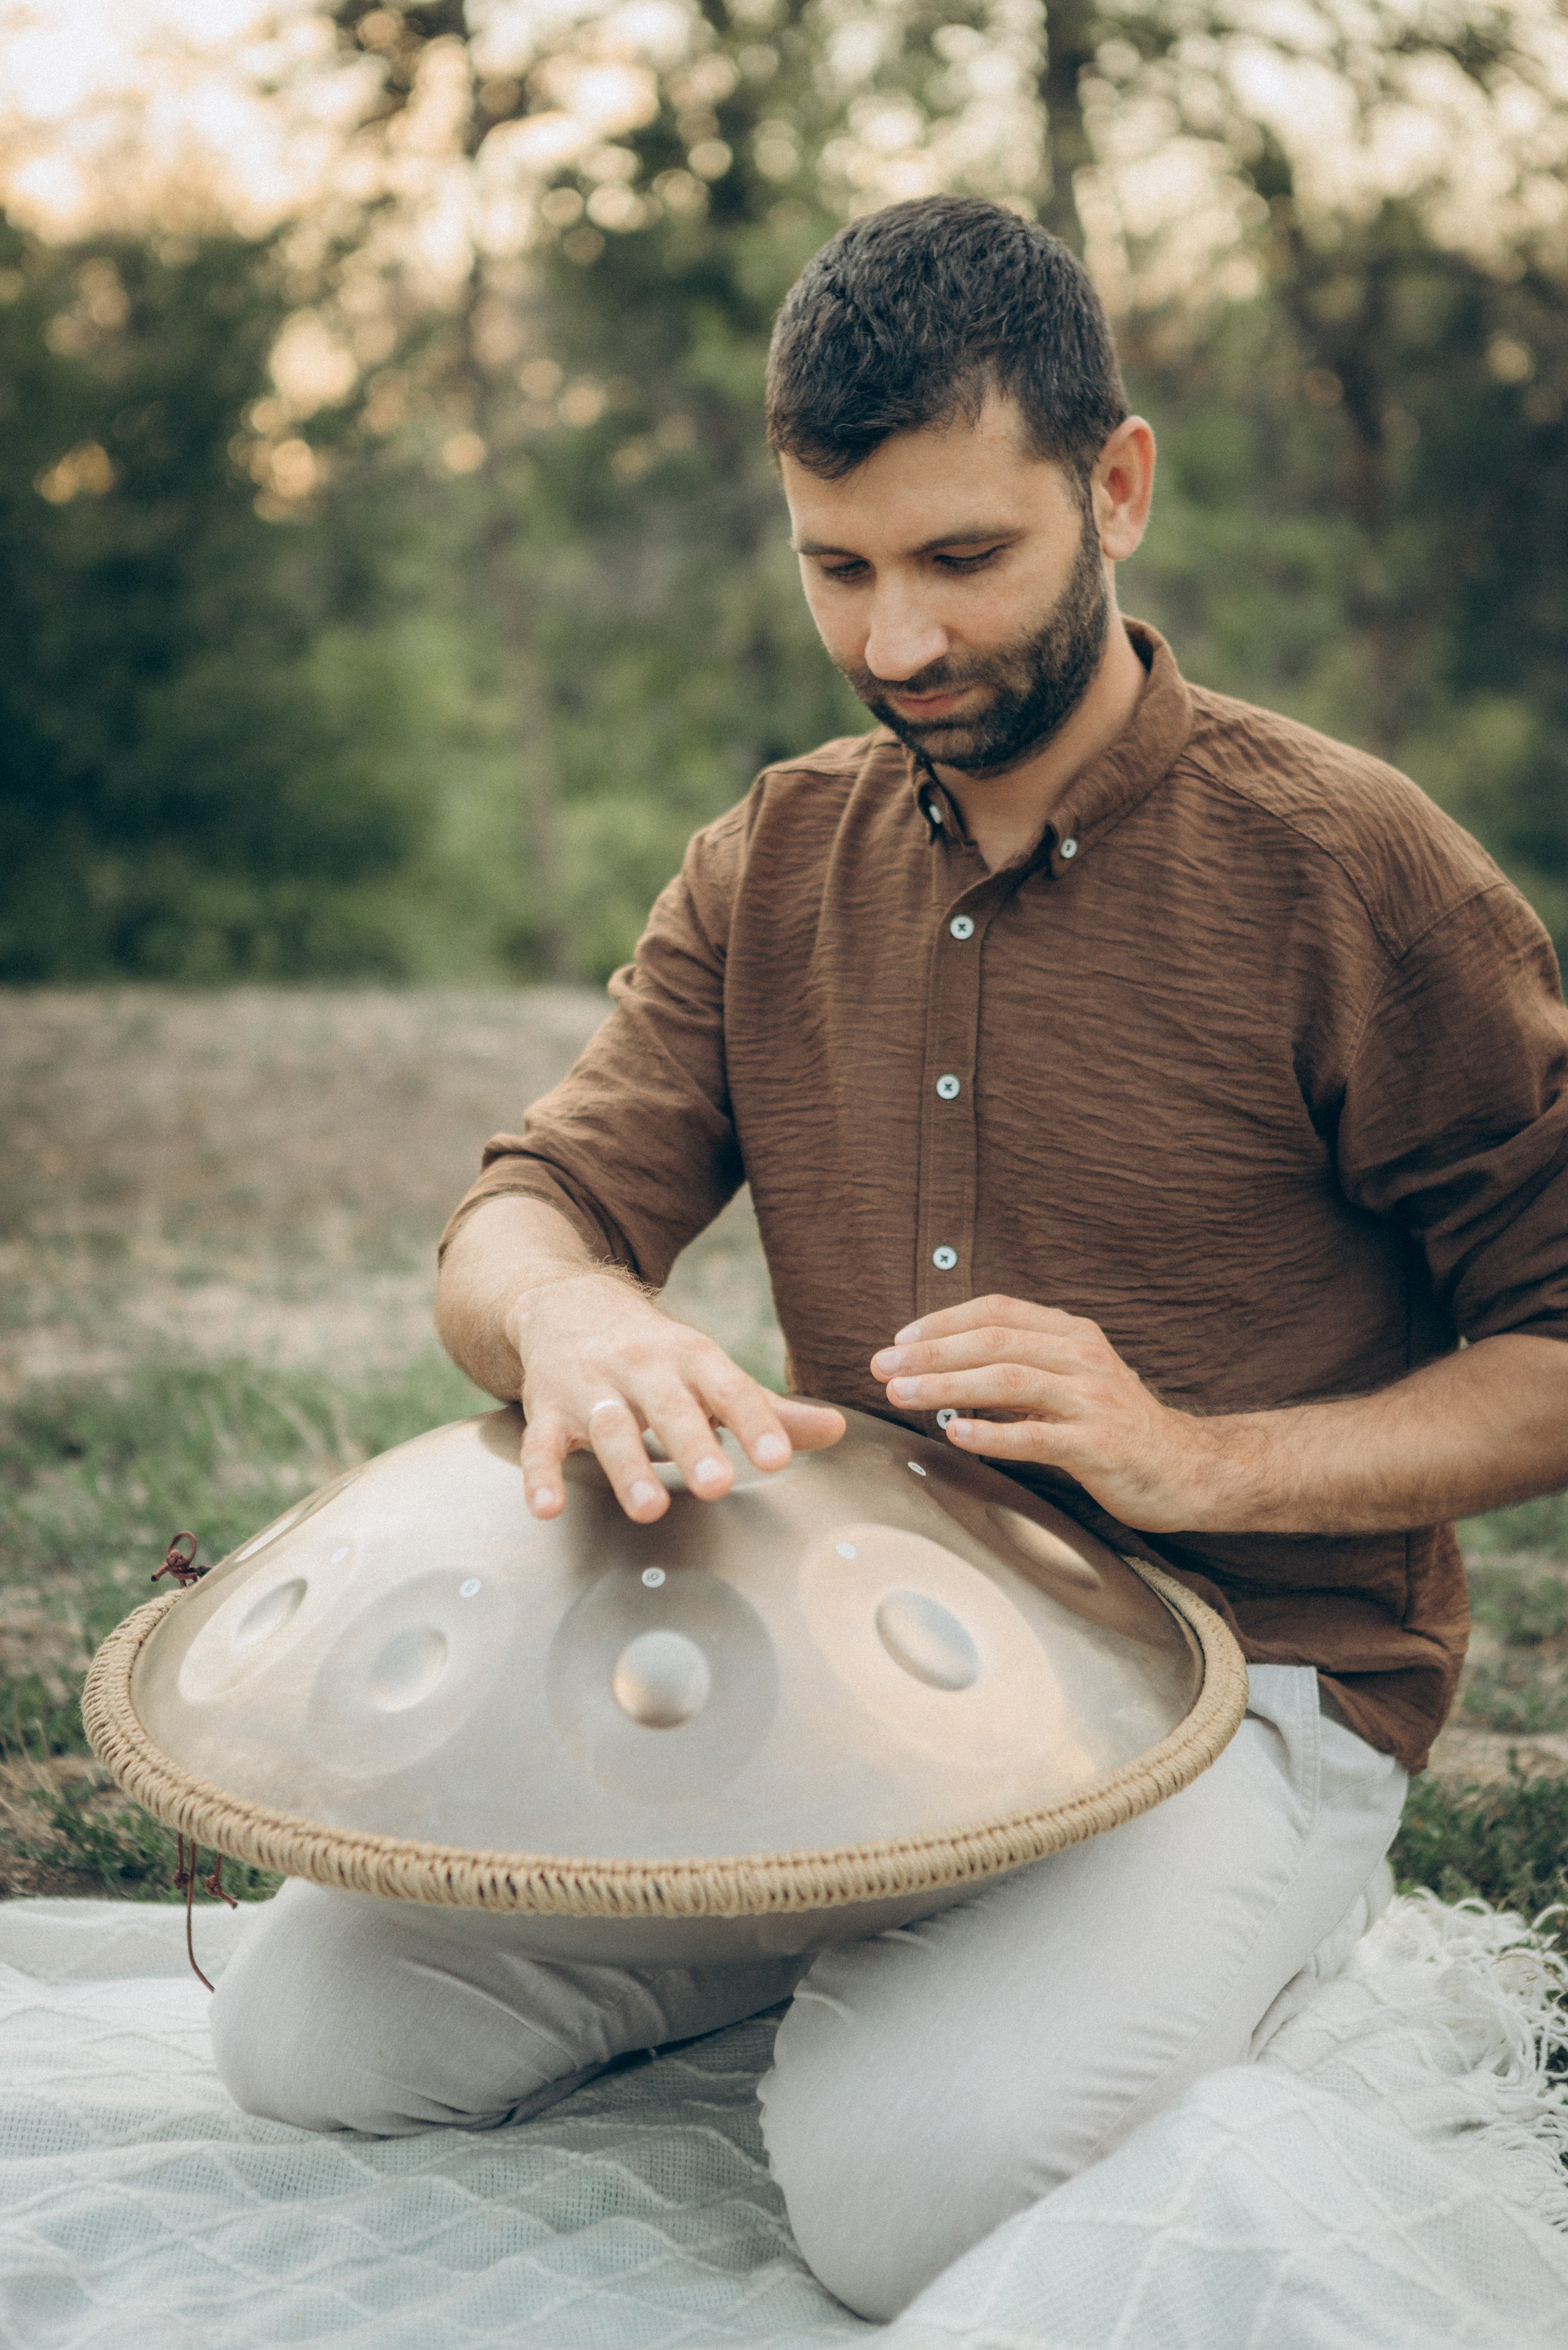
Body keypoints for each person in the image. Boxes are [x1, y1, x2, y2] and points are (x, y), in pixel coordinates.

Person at [210, 194, 1568, 2320]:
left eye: (963, 558)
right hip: (853, 1651)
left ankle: (1199, 1949)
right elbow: (523, 1211)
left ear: (1117, 487)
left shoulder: (1356, 874)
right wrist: (571, 1314)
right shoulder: (771, 856)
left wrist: (1197, 1458)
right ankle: (879, 1930)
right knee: (311, 2041)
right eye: (836, 569)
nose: (899, 643)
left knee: (890, 2197)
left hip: (1252, 1674)